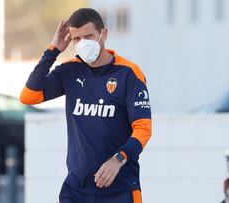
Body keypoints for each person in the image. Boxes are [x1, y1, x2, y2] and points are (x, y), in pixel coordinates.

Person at [20, 8, 152, 203]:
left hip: (119, 190)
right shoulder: (69, 70)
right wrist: (53, 50)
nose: (82, 44)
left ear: (103, 34)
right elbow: (29, 96)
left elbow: (143, 128)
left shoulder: (129, 73)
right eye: (76, 39)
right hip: (76, 190)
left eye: (88, 36)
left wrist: (119, 158)